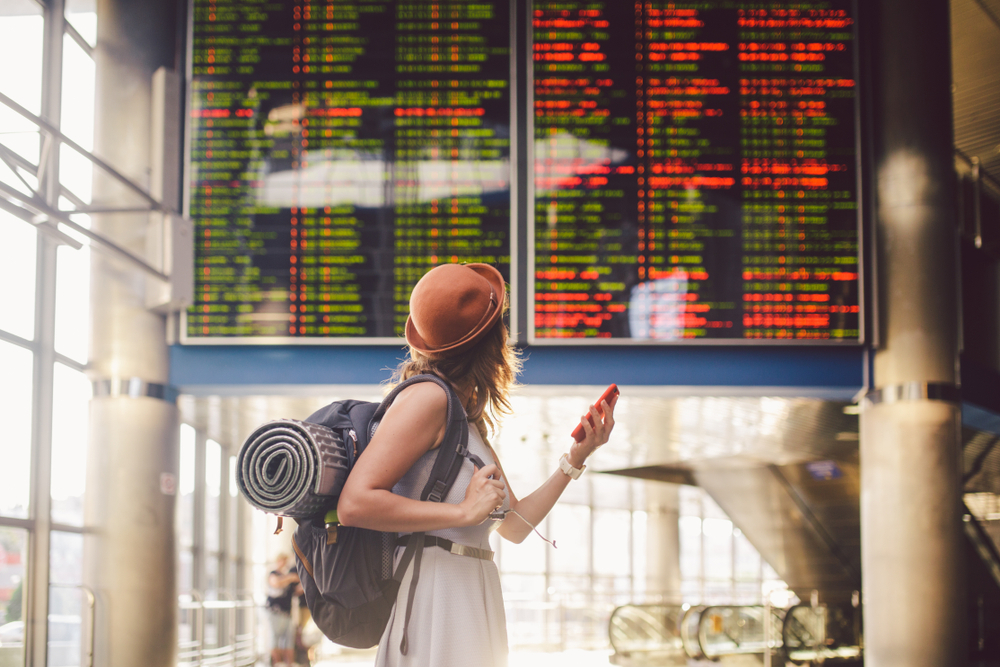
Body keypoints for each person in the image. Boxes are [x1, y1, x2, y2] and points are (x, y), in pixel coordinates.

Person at [337, 262, 617, 667]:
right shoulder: (428, 400)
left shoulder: (463, 416)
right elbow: (354, 504)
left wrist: (576, 458)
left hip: (468, 590)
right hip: (438, 598)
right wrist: (462, 511)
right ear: (493, 338)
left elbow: (516, 525)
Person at [266, 553, 300, 667]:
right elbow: (276, 583)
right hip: (275, 613)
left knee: (289, 641)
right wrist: (290, 577)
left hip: (287, 613)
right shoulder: (274, 574)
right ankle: (276, 663)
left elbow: (297, 590)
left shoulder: (288, 576)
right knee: (274, 640)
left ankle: (288, 664)